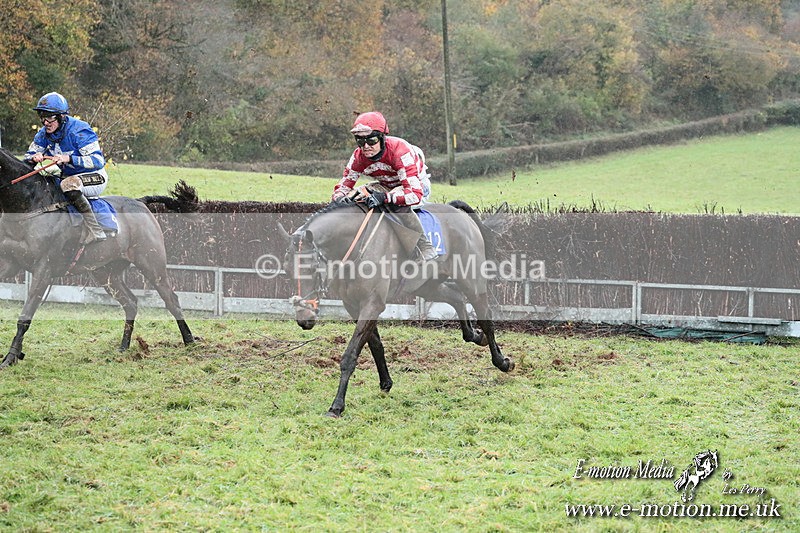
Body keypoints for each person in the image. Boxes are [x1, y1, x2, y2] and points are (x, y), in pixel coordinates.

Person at [332, 111, 438, 261]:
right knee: (355, 196)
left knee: (394, 204)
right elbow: (344, 185)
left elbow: (414, 194)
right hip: (386, 184)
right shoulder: (358, 156)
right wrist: (339, 199)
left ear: (382, 138)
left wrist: (385, 197)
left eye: (372, 140)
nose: (366, 146)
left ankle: (424, 246)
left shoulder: (400, 151)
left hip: (416, 186)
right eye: (360, 141)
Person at [25, 92, 109, 244]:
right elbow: (27, 157)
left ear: (61, 117)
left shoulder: (80, 130)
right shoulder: (43, 134)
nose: (45, 122)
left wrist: (69, 158)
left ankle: (96, 230)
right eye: (42, 116)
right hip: (69, 176)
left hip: (95, 176)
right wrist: (33, 157)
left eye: (50, 117)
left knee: (68, 184)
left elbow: (97, 161)